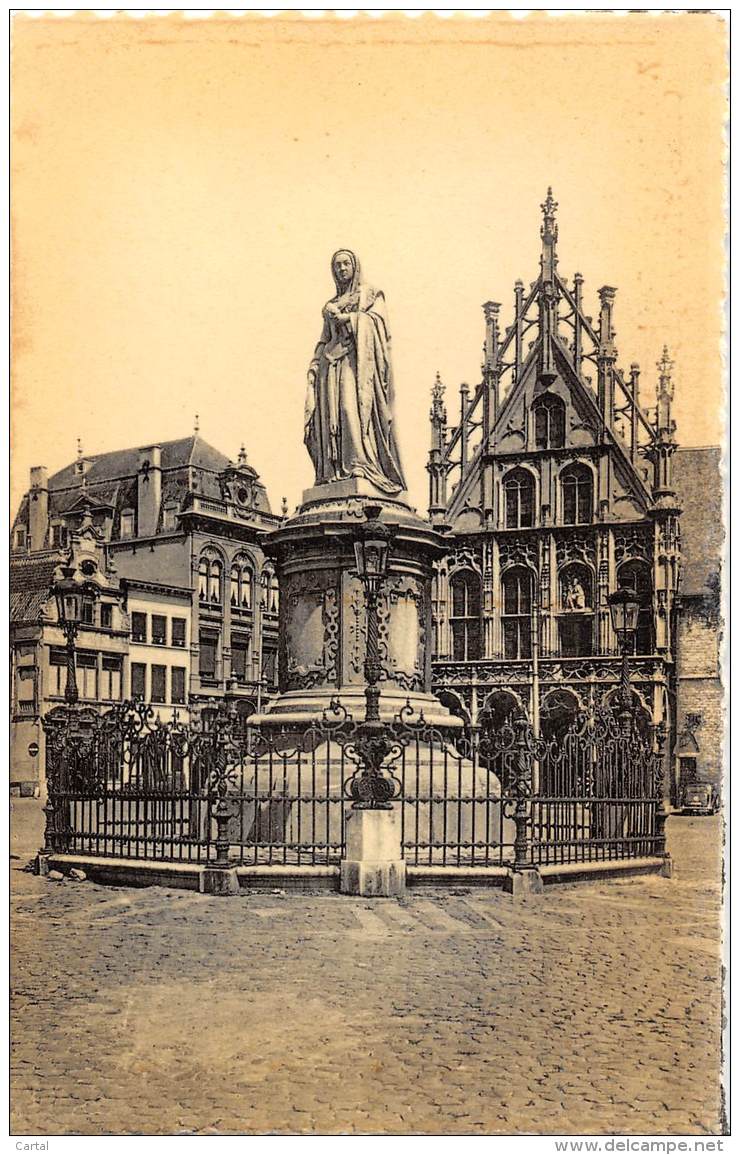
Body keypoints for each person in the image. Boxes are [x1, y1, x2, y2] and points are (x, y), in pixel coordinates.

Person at [304, 250, 407, 495]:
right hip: (330, 367)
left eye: (345, 263)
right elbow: (323, 339)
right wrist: (313, 366)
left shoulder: (370, 294)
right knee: (331, 418)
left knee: (351, 411)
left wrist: (347, 319)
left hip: (357, 365)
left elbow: (378, 326)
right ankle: (332, 470)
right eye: (336, 265)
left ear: (355, 266)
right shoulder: (329, 305)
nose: (341, 269)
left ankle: (361, 463)